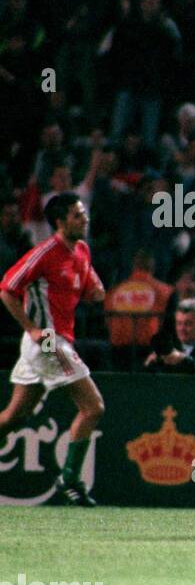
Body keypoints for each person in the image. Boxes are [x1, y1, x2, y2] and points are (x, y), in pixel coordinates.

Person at [0, 193, 106, 505]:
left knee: (15, 417)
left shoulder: (82, 250)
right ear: (60, 221)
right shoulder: (45, 252)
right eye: (77, 215)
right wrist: (32, 329)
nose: (84, 219)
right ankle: (70, 480)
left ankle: (70, 480)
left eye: (84, 213)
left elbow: (89, 288)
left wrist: (97, 291)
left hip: (56, 338)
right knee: (93, 407)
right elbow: (7, 290)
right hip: (47, 338)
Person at [144, 298, 195, 374]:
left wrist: (184, 360)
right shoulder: (171, 347)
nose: (182, 328)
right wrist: (152, 363)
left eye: (188, 324)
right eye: (179, 323)